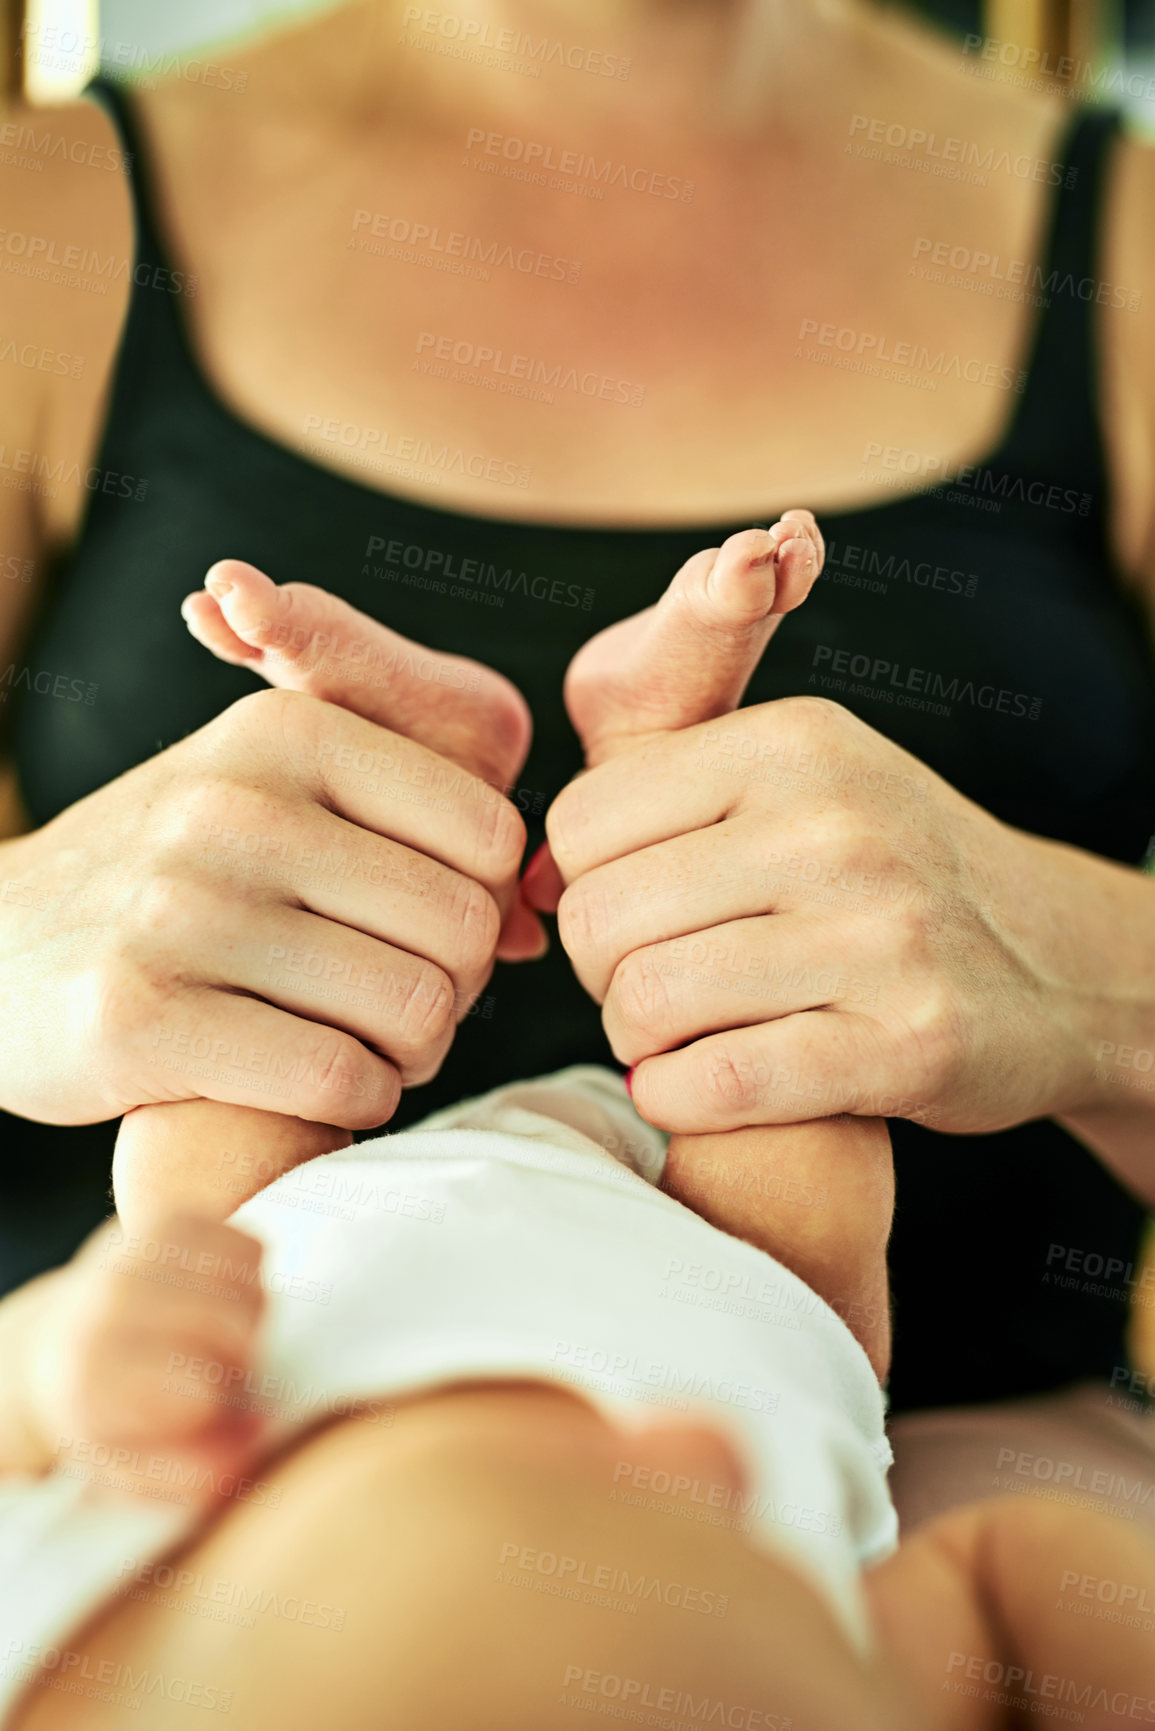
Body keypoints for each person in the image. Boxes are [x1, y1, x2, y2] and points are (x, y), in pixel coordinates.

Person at [2, 0, 1154, 1425]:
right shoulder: (33, 228)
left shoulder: (1129, 248)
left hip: (861, 1444)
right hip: (183, 1428)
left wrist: (1086, 975)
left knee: (758, 1138)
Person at [1, 1072, 1153, 1730]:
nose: (703, 1453)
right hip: (751, 1269)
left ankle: (379, 744)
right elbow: (1004, 1572)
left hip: (298, 1231)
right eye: (728, 1543)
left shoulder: (42, 1648)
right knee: (774, 1054)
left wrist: (70, 1350)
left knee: (216, 1093)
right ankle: (673, 749)